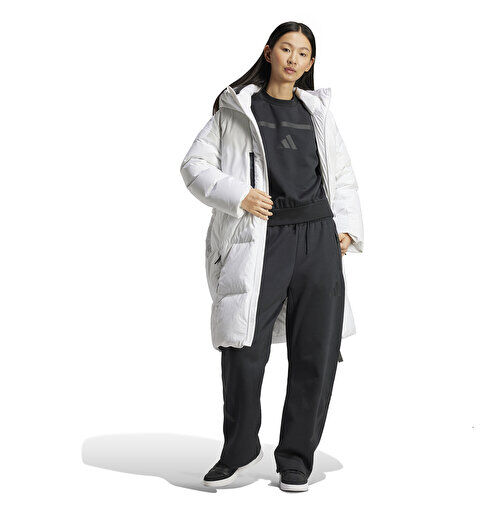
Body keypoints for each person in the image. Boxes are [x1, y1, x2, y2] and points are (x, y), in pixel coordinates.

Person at [179, 21, 364, 492]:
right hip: (262, 237)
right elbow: (194, 165)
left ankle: (296, 458)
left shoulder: (317, 111)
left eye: (303, 53)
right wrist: (238, 194)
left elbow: (341, 173)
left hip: (318, 237)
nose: (293, 59)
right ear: (268, 52)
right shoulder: (237, 109)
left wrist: (345, 227)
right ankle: (239, 449)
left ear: (311, 62)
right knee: (242, 346)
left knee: (316, 351)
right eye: (286, 49)